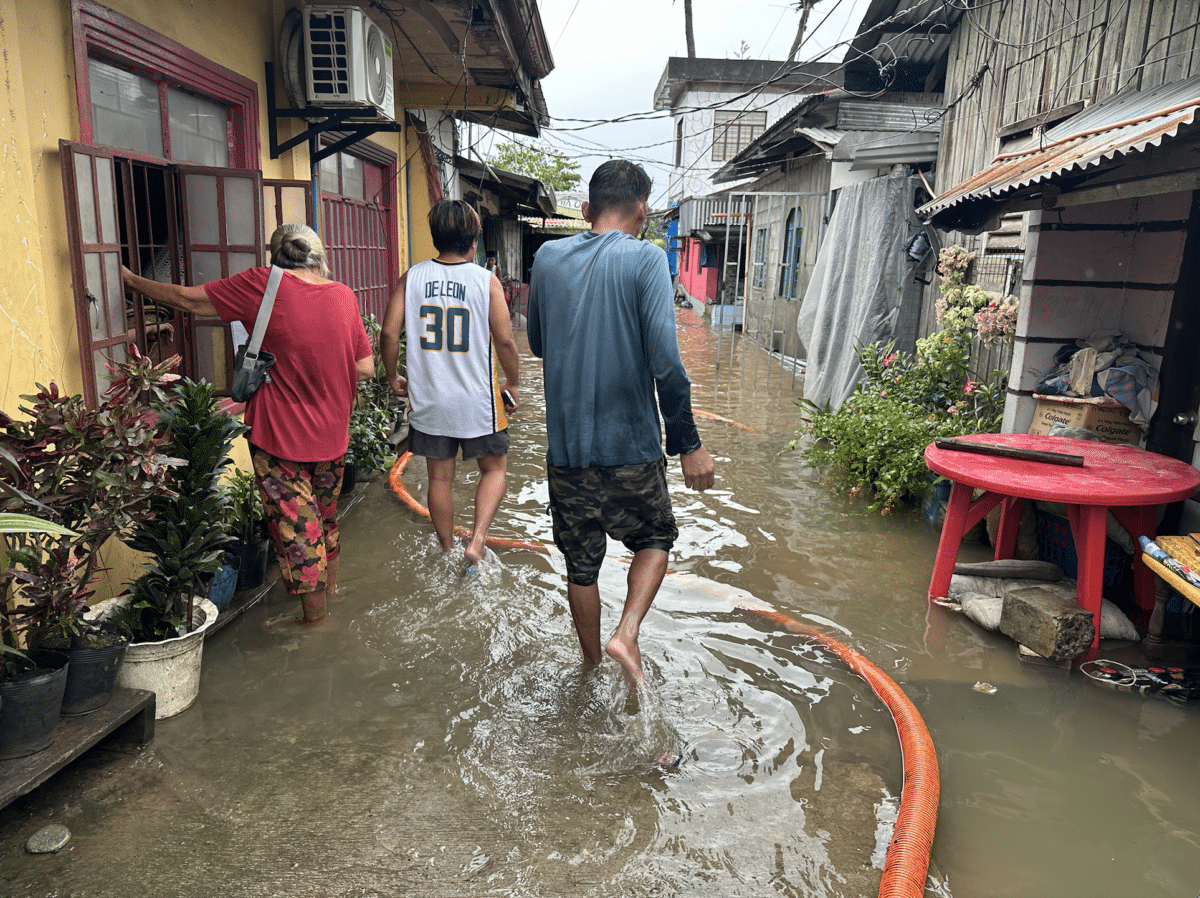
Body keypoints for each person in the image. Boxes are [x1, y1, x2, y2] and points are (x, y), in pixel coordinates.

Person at [121, 224, 374, 629]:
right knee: (324, 521)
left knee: (298, 536)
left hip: (281, 439)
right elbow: (365, 368)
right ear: (320, 259)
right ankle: (331, 599)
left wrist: (131, 279)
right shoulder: (344, 295)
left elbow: (188, 300)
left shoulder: (263, 284)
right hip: (333, 437)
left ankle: (317, 630)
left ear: (275, 257)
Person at [527, 160, 715, 688]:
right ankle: (626, 634)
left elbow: (539, 344)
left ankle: (590, 669)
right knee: (656, 534)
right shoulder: (647, 260)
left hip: (566, 455)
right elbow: (667, 364)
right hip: (631, 450)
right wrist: (688, 444)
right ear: (643, 211)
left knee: (580, 564)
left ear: (586, 210)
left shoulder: (546, 257)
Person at [380, 199, 520, 568]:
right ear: (473, 242)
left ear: (435, 238)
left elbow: (390, 331)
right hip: (479, 403)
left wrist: (392, 374)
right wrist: (515, 382)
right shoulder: (485, 280)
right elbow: (505, 341)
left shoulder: (412, 278)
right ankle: (475, 542)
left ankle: (445, 549)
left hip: (429, 401)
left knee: (439, 478)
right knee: (494, 469)